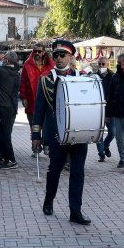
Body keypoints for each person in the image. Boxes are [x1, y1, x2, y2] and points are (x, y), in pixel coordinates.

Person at [32, 39, 92, 225]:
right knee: (55, 169)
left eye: (62, 55)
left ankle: (75, 210)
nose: (58, 58)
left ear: (70, 57)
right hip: (56, 134)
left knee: (77, 172)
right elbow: (39, 110)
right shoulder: (45, 80)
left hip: (78, 132)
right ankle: (49, 200)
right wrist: (36, 135)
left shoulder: (82, 77)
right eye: (55, 55)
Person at [0, 50, 21, 169]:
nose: (2, 60)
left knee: (4, 135)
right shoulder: (12, 71)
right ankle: (5, 158)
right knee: (1, 134)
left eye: (4, 58)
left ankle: (11, 159)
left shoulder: (3, 71)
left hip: (3, 106)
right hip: (6, 106)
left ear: (8, 60)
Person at [20, 43, 55, 152]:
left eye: (39, 51)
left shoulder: (51, 64)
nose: (36, 53)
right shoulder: (27, 64)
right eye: (34, 51)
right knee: (33, 125)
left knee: (46, 124)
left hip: (46, 99)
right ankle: (35, 145)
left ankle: (46, 144)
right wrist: (24, 97)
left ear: (44, 52)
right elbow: (23, 81)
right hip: (31, 100)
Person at [94, 57, 115, 162]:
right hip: (97, 109)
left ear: (107, 65)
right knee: (99, 133)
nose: (101, 66)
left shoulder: (113, 76)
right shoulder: (94, 76)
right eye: (100, 64)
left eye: (103, 64)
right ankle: (101, 153)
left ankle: (105, 146)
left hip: (109, 108)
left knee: (112, 132)